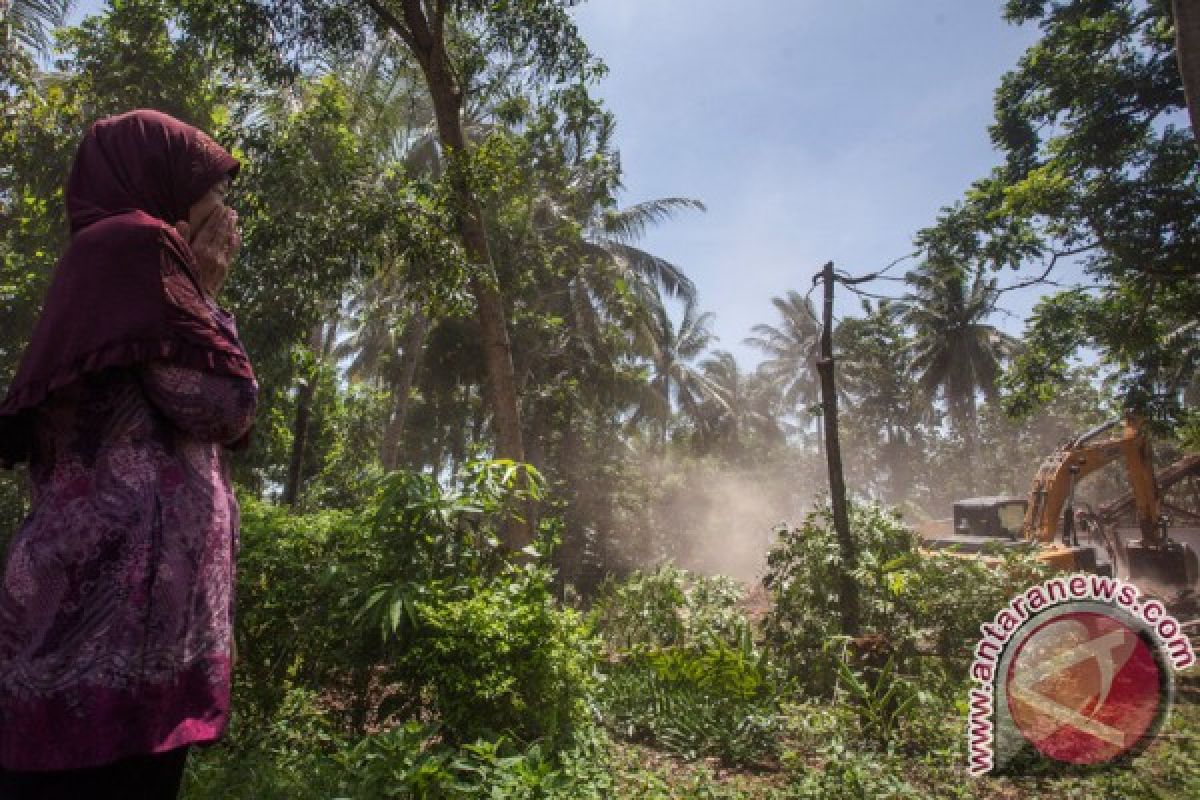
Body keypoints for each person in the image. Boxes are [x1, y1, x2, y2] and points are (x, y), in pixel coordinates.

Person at [0, 109, 257, 799]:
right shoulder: (138, 247)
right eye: (210, 186)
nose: (221, 209)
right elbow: (222, 406)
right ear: (161, 176)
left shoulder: (110, 258)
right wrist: (207, 295)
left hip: (111, 611)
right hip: (111, 614)